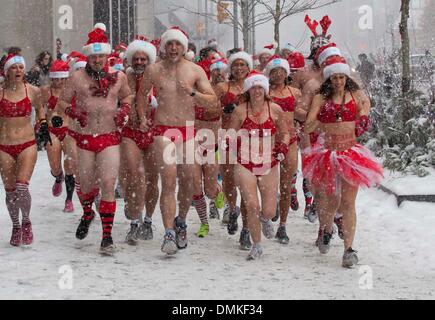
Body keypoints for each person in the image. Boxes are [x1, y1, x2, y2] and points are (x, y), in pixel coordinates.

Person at [136, 26, 219, 255]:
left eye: (177, 44)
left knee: (188, 182)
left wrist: (193, 94)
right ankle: (169, 232)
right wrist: (143, 117)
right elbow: (141, 95)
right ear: (164, 47)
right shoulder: (154, 70)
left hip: (188, 131)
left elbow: (213, 103)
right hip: (163, 130)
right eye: (169, 44)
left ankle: (181, 219)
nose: (173, 48)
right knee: (169, 179)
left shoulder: (195, 71)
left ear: (184, 47)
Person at [58, 24, 133, 255]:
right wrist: (72, 113)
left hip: (110, 136)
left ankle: (107, 237)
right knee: (87, 184)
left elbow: (127, 95)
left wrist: (125, 109)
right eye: (94, 56)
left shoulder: (119, 76)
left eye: (101, 55)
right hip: (85, 137)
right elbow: (61, 102)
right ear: (88, 56)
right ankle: (88, 212)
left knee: (109, 183)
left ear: (107, 56)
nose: (98, 60)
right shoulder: (77, 77)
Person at [303, 55, 383, 268]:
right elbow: (308, 125)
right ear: (329, 78)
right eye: (334, 77)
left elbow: (365, 105)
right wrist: (324, 120)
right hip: (327, 153)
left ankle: (349, 249)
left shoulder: (355, 94)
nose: (338, 81)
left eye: (341, 77)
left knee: (348, 202)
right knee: (330, 199)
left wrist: (364, 118)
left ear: (346, 76)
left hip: (351, 154)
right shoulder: (321, 98)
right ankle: (327, 228)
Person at [228, 70, 291, 260]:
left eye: (260, 87)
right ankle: (256, 244)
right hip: (245, 162)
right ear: (248, 90)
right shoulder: (240, 111)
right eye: (253, 87)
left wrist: (283, 147)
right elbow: (230, 134)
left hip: (268, 162)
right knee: (252, 205)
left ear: (265, 90)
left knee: (270, 210)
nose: (256, 91)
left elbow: (286, 133)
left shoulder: (275, 109)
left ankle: (265, 219)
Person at [0, 53, 49, 246]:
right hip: (4, 146)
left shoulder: (33, 90)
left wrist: (43, 124)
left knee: (22, 186)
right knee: (10, 191)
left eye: (21, 67)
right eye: (14, 67)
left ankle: (26, 221)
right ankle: (15, 225)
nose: (18, 70)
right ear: (6, 72)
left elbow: (40, 110)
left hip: (27, 143)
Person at [121, 36, 158, 245]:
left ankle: (148, 220)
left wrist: (155, 103)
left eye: (144, 59)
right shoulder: (122, 78)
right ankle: (134, 221)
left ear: (149, 60)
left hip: (154, 132)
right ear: (130, 59)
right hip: (130, 132)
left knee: (153, 179)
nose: (140, 62)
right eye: (136, 58)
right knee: (135, 175)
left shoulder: (158, 78)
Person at [214, 50, 252, 250]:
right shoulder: (222, 87)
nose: (239, 68)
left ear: (248, 68)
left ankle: (246, 230)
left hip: (248, 140)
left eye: (242, 65)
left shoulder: (255, 86)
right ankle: (232, 207)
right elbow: (210, 109)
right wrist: (222, 110)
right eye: (235, 65)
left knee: (246, 184)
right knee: (229, 181)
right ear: (230, 68)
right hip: (228, 137)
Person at [265, 56, 301, 244]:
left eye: (281, 71)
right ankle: (270, 209)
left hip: (290, 141)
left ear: (287, 73)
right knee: (268, 185)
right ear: (269, 74)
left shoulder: (295, 93)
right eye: (274, 71)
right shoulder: (264, 92)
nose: (278, 74)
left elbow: (303, 113)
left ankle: (283, 225)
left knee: (287, 185)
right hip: (269, 141)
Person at [192, 57, 227, 237]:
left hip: (213, 144)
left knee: (210, 189)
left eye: (221, 69)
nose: (218, 73)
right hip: (193, 144)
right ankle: (204, 223)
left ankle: (218, 193)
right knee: (195, 187)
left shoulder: (224, 90)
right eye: (215, 70)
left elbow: (217, 111)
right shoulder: (195, 92)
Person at [41, 60, 77, 212]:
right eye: (56, 78)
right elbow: (40, 108)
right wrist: (42, 123)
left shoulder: (73, 90)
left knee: (70, 165)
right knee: (55, 166)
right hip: (52, 131)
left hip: (69, 130)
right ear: (52, 78)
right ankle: (58, 177)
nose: (59, 81)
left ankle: (69, 200)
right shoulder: (45, 90)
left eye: (62, 78)